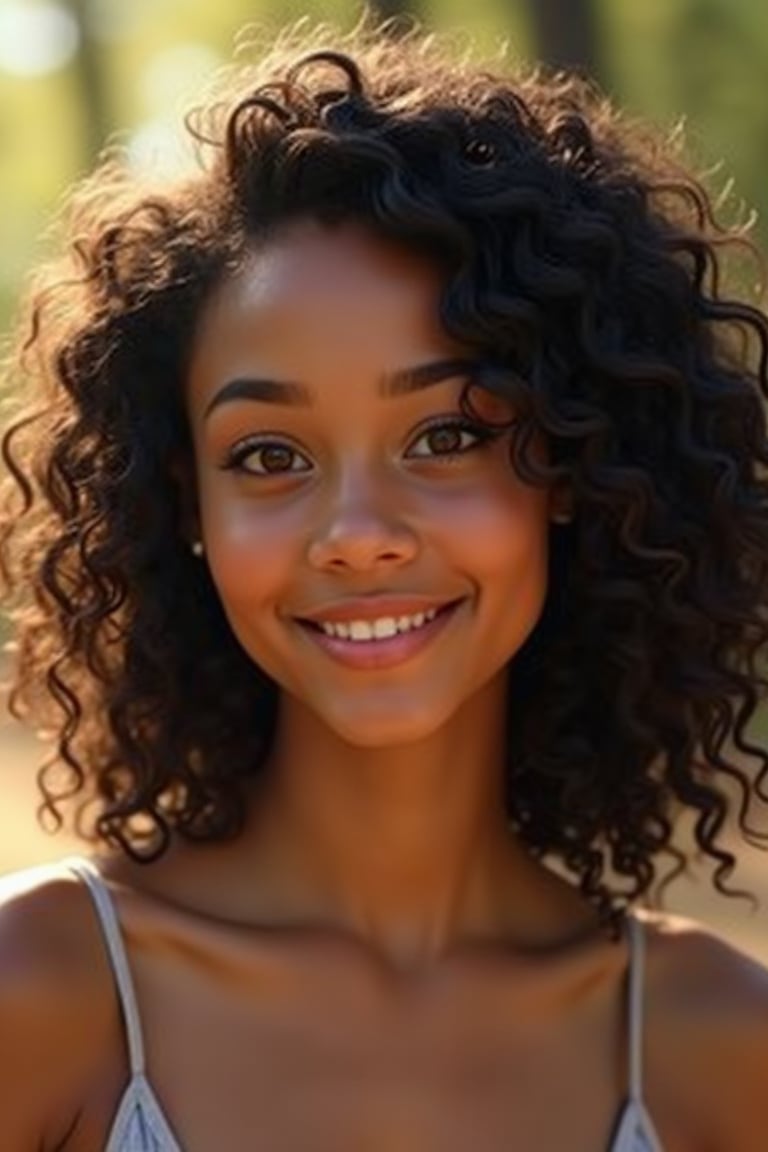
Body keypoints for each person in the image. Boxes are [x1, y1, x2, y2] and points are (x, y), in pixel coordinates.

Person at [0, 13, 767, 1151]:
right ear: (185, 507)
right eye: (269, 456)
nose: (356, 535)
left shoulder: (716, 1042)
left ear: (570, 460)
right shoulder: (44, 993)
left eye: (447, 435)